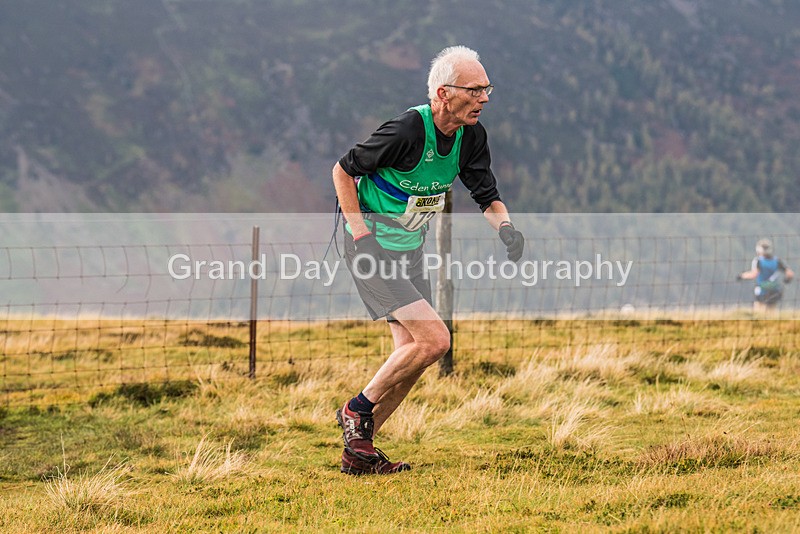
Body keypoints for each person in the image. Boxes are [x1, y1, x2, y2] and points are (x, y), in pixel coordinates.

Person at [331, 45, 525, 475]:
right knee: (436, 340)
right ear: (443, 94)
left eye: (487, 88)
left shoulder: (471, 137)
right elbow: (343, 171)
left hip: (409, 250)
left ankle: (358, 452)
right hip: (371, 248)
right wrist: (360, 233)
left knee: (413, 356)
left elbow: (487, 195)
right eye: (474, 90)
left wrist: (507, 230)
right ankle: (356, 409)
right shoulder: (407, 131)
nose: (484, 98)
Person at [737, 238, 794, 311]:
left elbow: (754, 274)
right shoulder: (777, 261)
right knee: (771, 311)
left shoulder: (758, 261)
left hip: (762, 290)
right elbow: (790, 273)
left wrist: (741, 276)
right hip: (774, 290)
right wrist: (787, 280)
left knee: (758, 310)